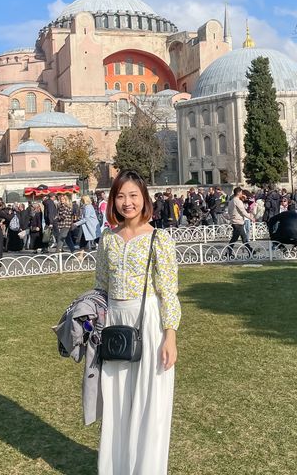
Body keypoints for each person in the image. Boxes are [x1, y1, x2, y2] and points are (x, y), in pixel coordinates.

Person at [94, 170, 179, 475]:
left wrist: (170, 336)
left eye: (133, 196)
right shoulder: (108, 239)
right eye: (120, 196)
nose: (127, 202)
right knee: (116, 400)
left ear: (144, 199)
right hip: (115, 322)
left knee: (149, 402)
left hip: (149, 323)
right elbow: (100, 286)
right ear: (113, 200)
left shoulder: (159, 238)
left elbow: (168, 290)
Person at [224, 187, 254, 258]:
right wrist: (251, 217)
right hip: (238, 222)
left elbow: (230, 211)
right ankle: (251, 251)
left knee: (235, 238)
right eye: (241, 192)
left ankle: (228, 252)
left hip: (234, 221)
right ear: (238, 193)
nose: (242, 194)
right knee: (244, 238)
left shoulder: (231, 201)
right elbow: (243, 211)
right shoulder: (237, 201)